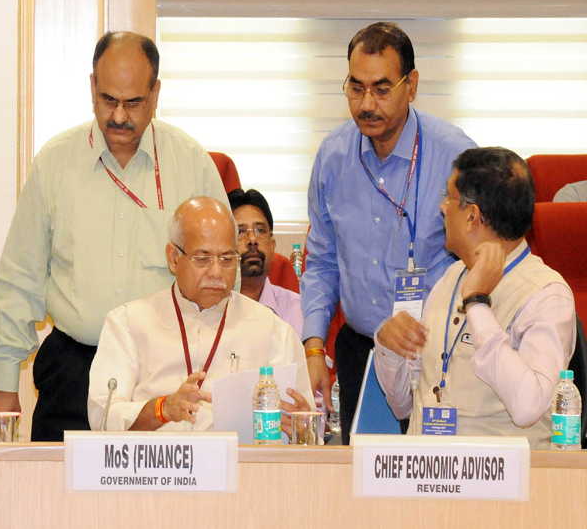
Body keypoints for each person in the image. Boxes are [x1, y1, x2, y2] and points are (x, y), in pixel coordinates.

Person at [0, 31, 228, 441]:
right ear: (91, 88)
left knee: (157, 502)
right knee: (61, 499)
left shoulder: (190, 164)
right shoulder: (55, 163)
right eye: (107, 100)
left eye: (133, 103)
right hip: (73, 370)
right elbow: (20, 278)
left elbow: (223, 278)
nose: (119, 116)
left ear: (155, 93)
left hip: (163, 373)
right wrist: (4, 385)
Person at [301, 22, 475, 442]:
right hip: (361, 351)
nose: (366, 104)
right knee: (364, 491)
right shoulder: (333, 156)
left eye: (381, 89)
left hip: (435, 354)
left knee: (436, 487)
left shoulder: (456, 155)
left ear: (411, 85)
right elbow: (321, 261)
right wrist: (313, 348)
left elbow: (480, 259)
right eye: (355, 87)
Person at [374, 148, 575, 448]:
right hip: (424, 473)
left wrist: (478, 304)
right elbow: (403, 404)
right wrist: (388, 347)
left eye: (449, 197)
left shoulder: (546, 294)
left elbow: (528, 406)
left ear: (472, 216)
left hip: (500, 483)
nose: (442, 208)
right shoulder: (448, 279)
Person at [87, 196, 312, 432]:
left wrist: (299, 425)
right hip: (154, 466)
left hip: (238, 466)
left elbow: (302, 424)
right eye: (202, 259)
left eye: (227, 259)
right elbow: (103, 416)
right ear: (174, 258)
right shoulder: (128, 324)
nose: (216, 272)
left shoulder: (273, 330)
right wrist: (162, 409)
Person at [228, 188, 302, 337]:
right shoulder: (210, 308)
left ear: (272, 245)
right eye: (240, 231)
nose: (252, 240)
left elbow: (317, 360)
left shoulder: (298, 310)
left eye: (260, 230)